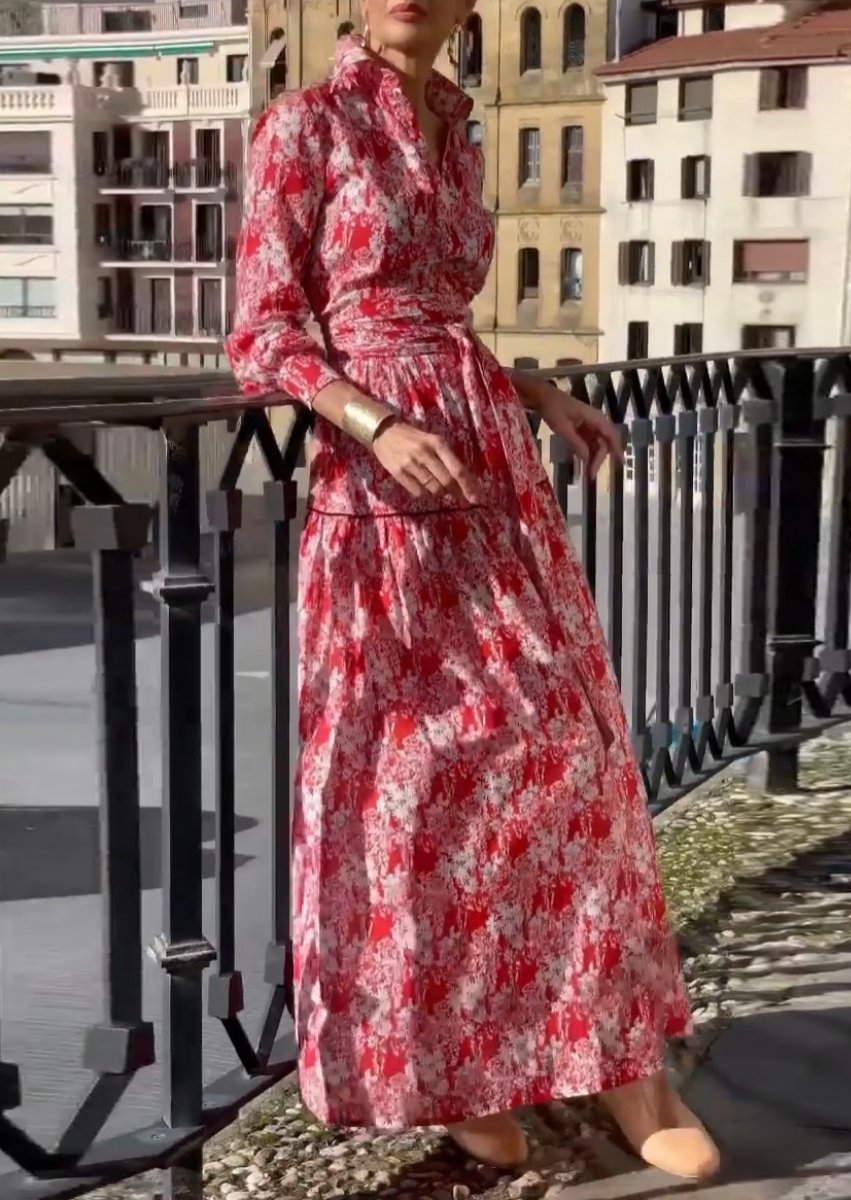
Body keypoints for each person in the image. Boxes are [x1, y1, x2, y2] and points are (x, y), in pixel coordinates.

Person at [226, 0, 720, 1181]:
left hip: (490, 471)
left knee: (569, 747)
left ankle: (614, 1059)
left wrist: (529, 389)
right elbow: (263, 337)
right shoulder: (306, 125)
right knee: (412, 776)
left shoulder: (461, 126)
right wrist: (373, 419)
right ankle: (442, 1078)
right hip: (382, 493)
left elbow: (433, 315)